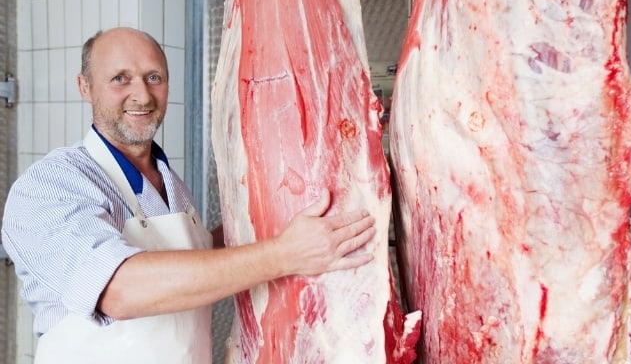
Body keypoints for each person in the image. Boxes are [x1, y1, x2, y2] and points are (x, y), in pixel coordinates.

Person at [0, 27, 376, 363]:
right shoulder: (51, 184)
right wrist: (285, 253)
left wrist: (262, 220)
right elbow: (117, 289)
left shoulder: (168, 180)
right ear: (85, 87)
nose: (142, 95)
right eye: (120, 78)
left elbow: (188, 262)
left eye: (154, 77)